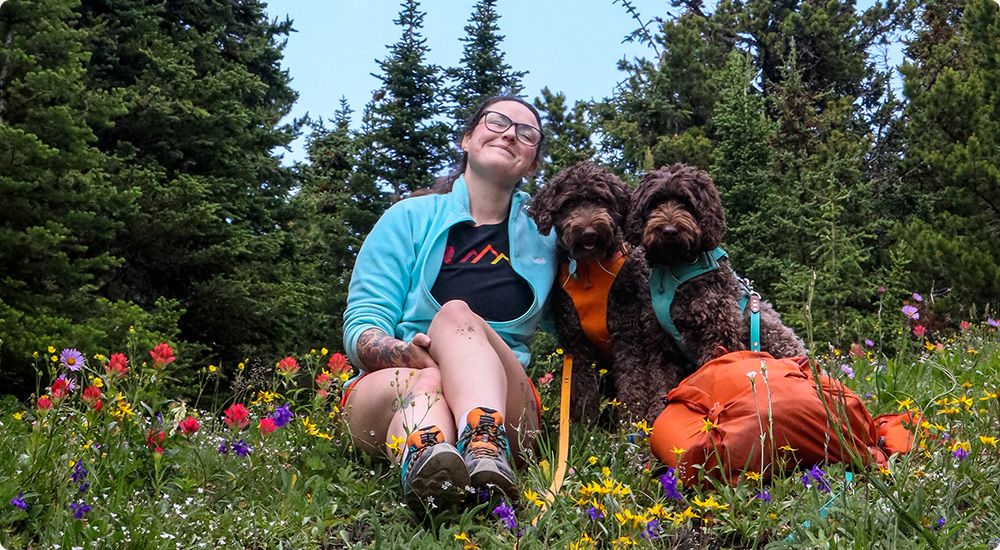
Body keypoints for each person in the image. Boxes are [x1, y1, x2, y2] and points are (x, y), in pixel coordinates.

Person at [341, 96, 556, 509]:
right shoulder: (408, 218)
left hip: (507, 399)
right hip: (395, 385)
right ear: (466, 139)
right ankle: (433, 462)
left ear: (532, 164)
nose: (510, 133)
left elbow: (593, 308)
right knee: (429, 379)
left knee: (456, 314)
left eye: (526, 133)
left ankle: (481, 446)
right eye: (497, 122)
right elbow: (363, 324)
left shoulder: (548, 238)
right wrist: (405, 353)